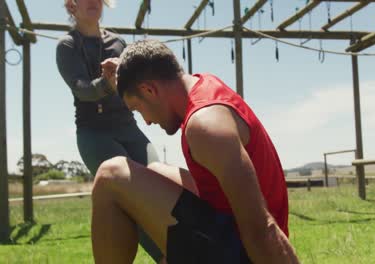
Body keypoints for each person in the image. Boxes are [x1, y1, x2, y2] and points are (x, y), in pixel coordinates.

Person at [90, 39, 300, 263]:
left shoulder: (205, 127)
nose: (148, 121)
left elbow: (262, 229)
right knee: (155, 170)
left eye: (138, 109)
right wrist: (127, 71)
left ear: (149, 90)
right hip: (231, 232)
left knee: (110, 175)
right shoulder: (203, 88)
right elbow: (148, 73)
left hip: (247, 253)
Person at [55, 0, 164, 262]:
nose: (92, 2)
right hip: (95, 132)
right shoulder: (67, 45)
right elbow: (82, 89)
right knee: (131, 193)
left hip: (128, 127)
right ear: (72, 6)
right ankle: (167, 255)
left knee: (162, 184)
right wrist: (107, 83)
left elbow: (137, 83)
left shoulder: (118, 42)